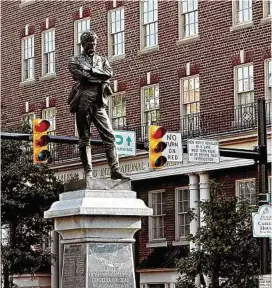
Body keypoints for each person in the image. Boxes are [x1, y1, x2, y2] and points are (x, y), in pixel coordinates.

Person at [68, 30, 130, 180]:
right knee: (85, 138)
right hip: (83, 101)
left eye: (94, 43)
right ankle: (88, 172)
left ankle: (115, 170)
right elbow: (82, 78)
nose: (93, 46)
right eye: (90, 43)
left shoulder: (102, 60)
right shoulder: (74, 61)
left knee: (109, 136)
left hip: (99, 103)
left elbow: (109, 74)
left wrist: (91, 71)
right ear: (83, 44)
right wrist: (98, 76)